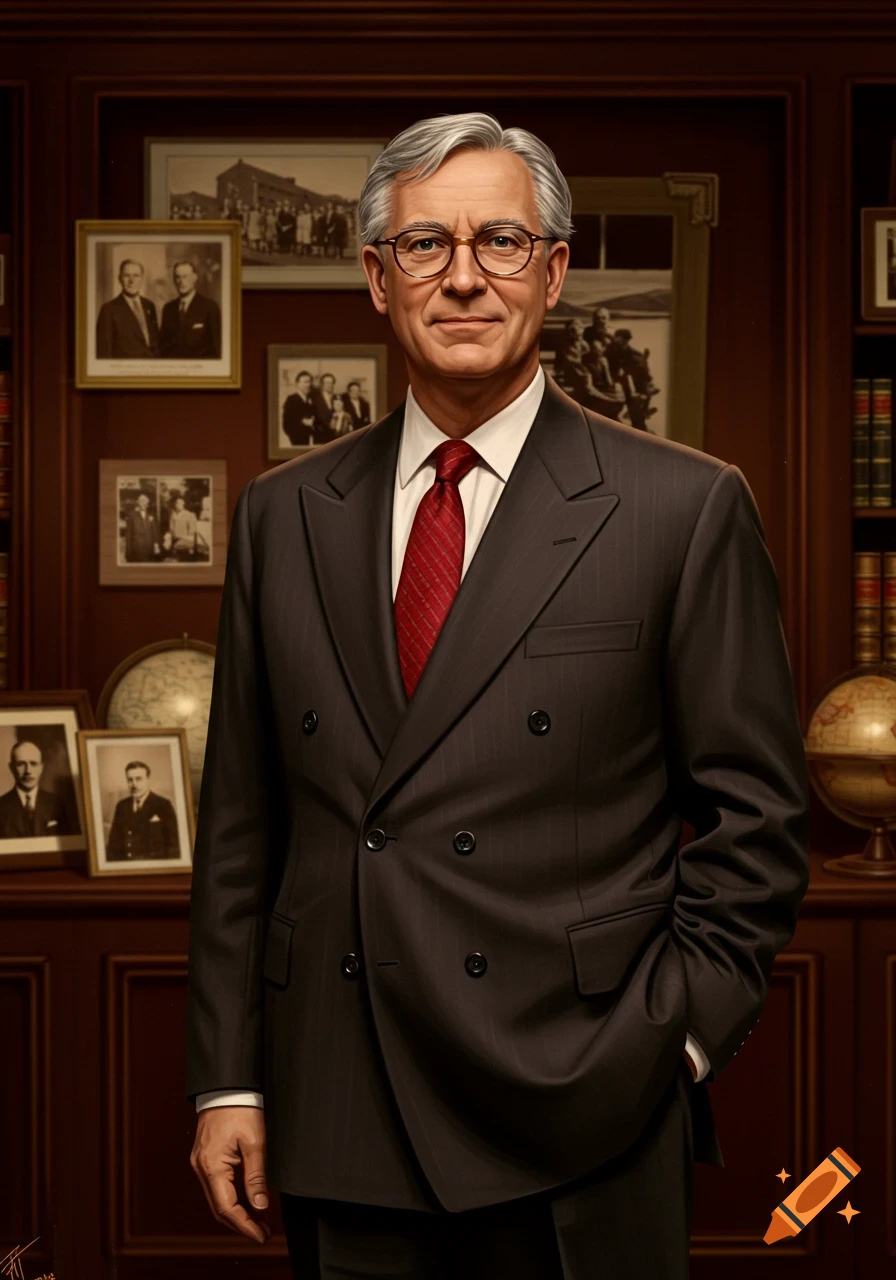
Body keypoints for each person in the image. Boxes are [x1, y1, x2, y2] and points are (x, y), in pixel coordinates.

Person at [186, 112, 811, 1279]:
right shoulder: (284, 513)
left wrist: (665, 1045)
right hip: (341, 1097)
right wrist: (229, 1074)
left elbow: (758, 832)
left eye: (501, 242)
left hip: (582, 1106)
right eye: (424, 244)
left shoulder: (682, 507)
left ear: (553, 270)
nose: (463, 275)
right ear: (377, 279)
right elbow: (239, 826)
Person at [105, 760, 179, 861]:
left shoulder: (163, 805)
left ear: (148, 779)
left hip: (154, 864)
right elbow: (113, 844)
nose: (134, 784)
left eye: (138, 779)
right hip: (126, 864)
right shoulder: (122, 806)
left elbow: (174, 844)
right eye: (130, 780)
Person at [0, 740, 70, 838]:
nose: (28, 771)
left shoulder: (58, 804)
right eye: (21, 764)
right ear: (11, 768)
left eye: (33, 764)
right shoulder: (1, 807)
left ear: (41, 768)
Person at [95, 259, 160, 359]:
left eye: (136, 276)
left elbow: (155, 343)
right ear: (119, 278)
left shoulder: (149, 305)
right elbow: (104, 352)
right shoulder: (108, 310)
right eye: (126, 276)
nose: (131, 281)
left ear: (142, 278)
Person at [159, 261, 221, 360]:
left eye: (185, 277)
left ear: (194, 278)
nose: (181, 281)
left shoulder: (210, 307)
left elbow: (216, 350)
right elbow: (163, 347)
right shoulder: (168, 309)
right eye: (177, 277)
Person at [281, 370, 319, 446]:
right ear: (297, 384)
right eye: (305, 382)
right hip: (298, 442)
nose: (308, 385)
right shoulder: (291, 400)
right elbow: (287, 425)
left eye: (309, 382)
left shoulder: (310, 399)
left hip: (310, 440)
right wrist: (302, 423)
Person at [124, 491, 159, 562]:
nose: (144, 503)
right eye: (142, 501)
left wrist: (156, 545)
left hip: (149, 548)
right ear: (138, 502)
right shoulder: (132, 515)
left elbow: (154, 532)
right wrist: (128, 551)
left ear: (147, 503)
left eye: (145, 501)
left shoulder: (151, 515)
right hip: (136, 549)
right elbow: (128, 534)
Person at [311, 371, 338, 440]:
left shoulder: (337, 398)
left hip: (335, 436)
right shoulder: (315, 399)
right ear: (322, 384)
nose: (329, 385)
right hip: (320, 436)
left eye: (331, 383)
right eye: (327, 383)